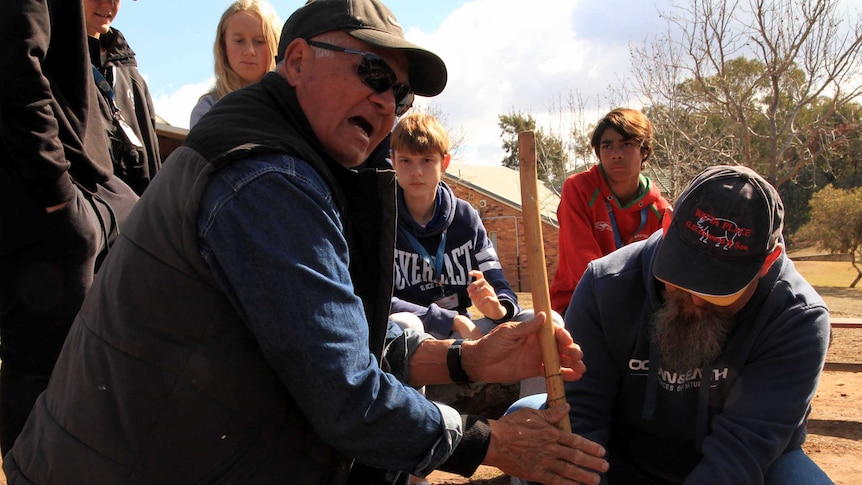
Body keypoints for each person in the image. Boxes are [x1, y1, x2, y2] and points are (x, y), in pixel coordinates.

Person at [3, 1, 608, 484]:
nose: (384, 101)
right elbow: (346, 392)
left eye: (399, 95)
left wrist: (465, 358)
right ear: (294, 61)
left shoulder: (297, 166)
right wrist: (493, 442)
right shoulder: (266, 179)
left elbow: (333, 333)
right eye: (372, 73)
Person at [512, 165, 833, 484]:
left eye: (719, 288)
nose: (695, 298)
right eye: (684, 275)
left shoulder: (797, 316)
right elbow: (584, 419)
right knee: (526, 417)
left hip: (745, 467)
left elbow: (742, 451)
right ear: (666, 225)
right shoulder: (604, 285)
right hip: (620, 455)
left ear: (767, 262)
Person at [0, 0, 139, 455]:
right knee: (49, 382)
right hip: (49, 205)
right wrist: (57, 193)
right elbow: (14, 62)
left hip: (80, 196)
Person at [389, 113, 523, 341]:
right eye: (405, 161)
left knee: (544, 322)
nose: (416, 171)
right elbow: (379, 300)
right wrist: (449, 320)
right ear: (393, 161)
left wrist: (498, 309)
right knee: (402, 324)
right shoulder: (382, 219)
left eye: (427, 160)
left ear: (445, 163)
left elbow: (499, 284)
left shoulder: (466, 218)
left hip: (465, 328)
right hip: (419, 329)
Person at [549, 108, 671, 315]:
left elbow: (661, 275)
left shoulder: (660, 210)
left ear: (644, 151)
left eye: (627, 144)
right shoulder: (579, 189)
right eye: (607, 146)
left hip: (638, 309)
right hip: (579, 301)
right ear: (598, 152)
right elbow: (582, 264)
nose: (616, 154)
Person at [86, 0, 161, 195]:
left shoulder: (131, 75)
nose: (107, 3)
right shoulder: (49, 63)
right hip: (86, 212)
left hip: (134, 217)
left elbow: (151, 160)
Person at [189, 0, 281, 128]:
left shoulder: (292, 106)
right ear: (223, 45)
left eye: (259, 41)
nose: (249, 51)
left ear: (274, 45)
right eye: (239, 41)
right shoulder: (207, 110)